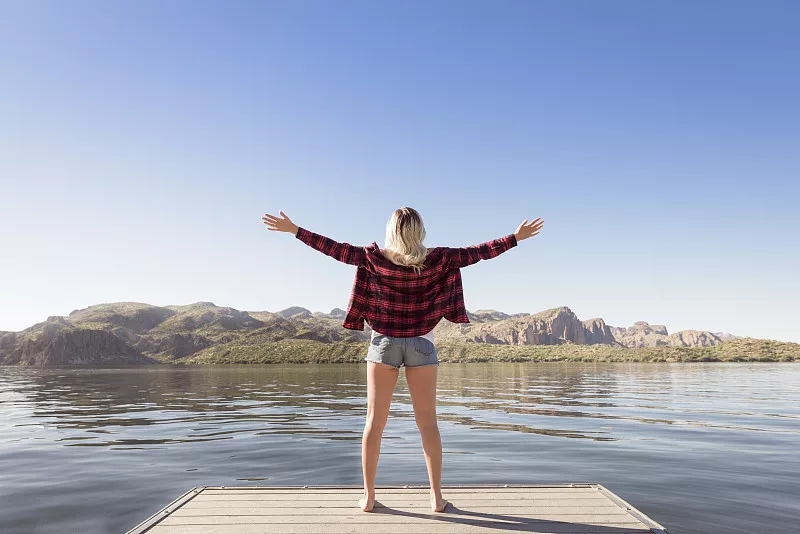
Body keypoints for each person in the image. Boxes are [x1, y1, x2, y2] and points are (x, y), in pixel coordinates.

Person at [262, 207, 544, 513]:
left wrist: (296, 230)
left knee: (374, 423)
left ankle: (369, 497)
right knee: (428, 425)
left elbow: (334, 249)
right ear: (419, 231)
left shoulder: (374, 258)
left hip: (383, 343)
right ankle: (436, 498)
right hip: (422, 343)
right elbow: (478, 253)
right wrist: (515, 237)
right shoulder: (439, 259)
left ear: (392, 231)